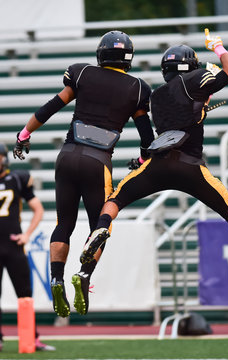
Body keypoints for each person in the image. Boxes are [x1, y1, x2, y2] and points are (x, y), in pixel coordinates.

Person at [80, 28, 228, 302]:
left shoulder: (158, 96)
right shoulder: (195, 79)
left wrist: (141, 160)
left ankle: (88, 264)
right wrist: (217, 47)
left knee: (114, 200)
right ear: (189, 67)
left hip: (158, 164)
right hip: (190, 166)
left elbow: (166, 134)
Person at [13, 30, 155, 318]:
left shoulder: (82, 73)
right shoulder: (138, 88)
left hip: (66, 156)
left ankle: (56, 278)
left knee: (64, 222)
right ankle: (84, 274)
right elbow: (147, 138)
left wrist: (24, 134)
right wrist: (140, 159)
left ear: (101, 53)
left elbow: (51, 106)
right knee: (100, 227)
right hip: (97, 161)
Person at [0, 143, 55, 351]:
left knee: (24, 294)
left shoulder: (16, 179)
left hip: (14, 246)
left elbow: (38, 209)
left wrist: (27, 235)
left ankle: (31, 338)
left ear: (4, 158)